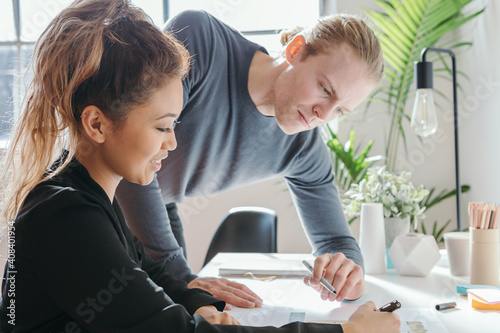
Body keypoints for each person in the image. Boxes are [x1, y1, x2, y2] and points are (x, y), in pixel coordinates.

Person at [0, 0, 400, 332]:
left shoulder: (87, 206)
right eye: (164, 126)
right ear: (96, 124)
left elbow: (153, 283)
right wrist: (346, 331)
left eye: (341, 110)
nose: (323, 114)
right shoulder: (68, 215)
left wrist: (194, 297)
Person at [115, 8, 384, 308]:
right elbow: (131, 146)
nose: (324, 114)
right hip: (90, 194)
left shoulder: (303, 148)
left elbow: (338, 242)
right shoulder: (201, 41)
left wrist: (349, 276)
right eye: (324, 89)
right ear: (296, 50)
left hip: (155, 205)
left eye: (340, 110)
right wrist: (179, 275)